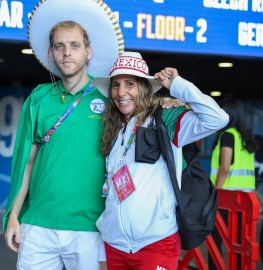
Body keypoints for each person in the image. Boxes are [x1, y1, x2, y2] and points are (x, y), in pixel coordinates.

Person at [3, 0, 124, 269]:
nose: (66, 53)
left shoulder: (110, 97)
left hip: (90, 226)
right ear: (51, 53)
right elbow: (27, 162)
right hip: (37, 224)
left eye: (74, 45)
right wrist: (14, 216)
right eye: (59, 46)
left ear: (88, 52)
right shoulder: (39, 97)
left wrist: (170, 101)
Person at [93, 51, 229, 269]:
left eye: (130, 84)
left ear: (144, 88)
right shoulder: (113, 130)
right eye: (116, 85)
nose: (121, 92)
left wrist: (177, 86)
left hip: (156, 243)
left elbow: (218, 118)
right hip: (114, 245)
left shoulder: (165, 118)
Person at [209, 98, 258, 270]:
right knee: (238, 246)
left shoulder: (228, 135)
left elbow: (224, 168)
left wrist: (215, 193)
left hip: (226, 199)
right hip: (244, 201)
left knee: (215, 242)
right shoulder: (246, 139)